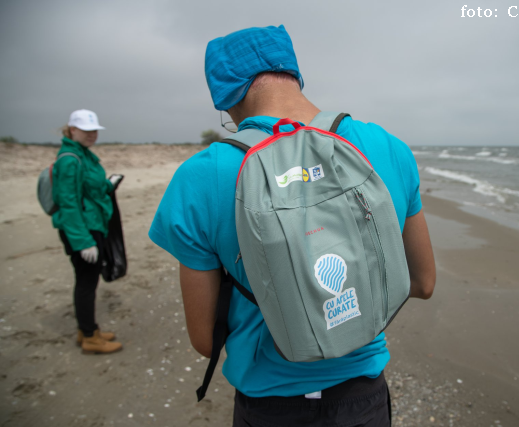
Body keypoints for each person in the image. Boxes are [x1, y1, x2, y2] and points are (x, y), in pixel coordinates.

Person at [149, 25, 436, 426]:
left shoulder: (200, 177)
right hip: (361, 398)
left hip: (269, 404)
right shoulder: (386, 146)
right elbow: (422, 283)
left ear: (226, 96)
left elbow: (204, 339)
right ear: (294, 74)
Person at [53, 109, 123, 354]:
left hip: (93, 225)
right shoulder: (70, 159)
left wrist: (109, 184)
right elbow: (68, 204)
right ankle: (90, 337)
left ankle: (87, 329)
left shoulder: (84, 156)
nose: (92, 134)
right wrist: (83, 242)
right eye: (86, 130)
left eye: (94, 130)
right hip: (83, 230)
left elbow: (92, 188)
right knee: (86, 282)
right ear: (72, 130)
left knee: (87, 281)